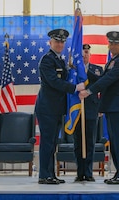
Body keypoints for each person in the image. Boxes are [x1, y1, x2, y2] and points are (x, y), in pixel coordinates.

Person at [79, 31, 119, 184]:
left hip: (118, 107)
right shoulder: (111, 62)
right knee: (115, 142)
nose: (113, 46)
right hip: (111, 107)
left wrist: (88, 91)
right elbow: (101, 79)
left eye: (116, 43)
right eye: (111, 43)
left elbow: (107, 80)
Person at [35, 28, 85, 185]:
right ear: (50, 42)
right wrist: (75, 88)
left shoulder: (60, 60)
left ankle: (51, 174)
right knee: (47, 143)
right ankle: (44, 175)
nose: (59, 44)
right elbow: (54, 82)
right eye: (57, 41)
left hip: (56, 109)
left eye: (62, 42)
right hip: (47, 108)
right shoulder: (47, 60)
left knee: (52, 144)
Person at [73, 44, 103, 182]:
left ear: (90, 54)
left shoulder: (97, 70)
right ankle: (80, 172)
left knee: (90, 142)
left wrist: (101, 108)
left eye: (86, 52)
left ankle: (89, 172)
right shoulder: (73, 70)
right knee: (78, 142)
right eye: (82, 52)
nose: (84, 55)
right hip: (76, 110)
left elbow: (102, 87)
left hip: (91, 109)